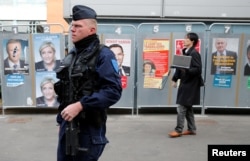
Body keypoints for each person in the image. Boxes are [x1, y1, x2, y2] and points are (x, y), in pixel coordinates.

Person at [55, 5, 122, 161]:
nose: (72, 29)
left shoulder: (103, 54)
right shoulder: (73, 54)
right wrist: (61, 122)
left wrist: (80, 105)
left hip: (88, 128)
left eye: (78, 26)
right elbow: (66, 90)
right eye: (72, 25)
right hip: (68, 126)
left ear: (91, 30)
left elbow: (113, 91)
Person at [168, 32, 202, 138]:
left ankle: (178, 130)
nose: (184, 40)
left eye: (187, 39)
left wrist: (186, 70)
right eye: (184, 38)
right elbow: (179, 67)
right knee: (188, 107)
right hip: (185, 83)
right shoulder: (185, 52)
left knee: (181, 107)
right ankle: (192, 129)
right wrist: (174, 79)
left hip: (191, 85)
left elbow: (198, 70)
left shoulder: (194, 54)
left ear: (192, 41)